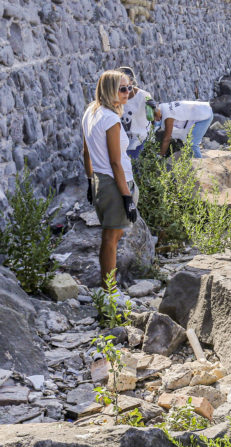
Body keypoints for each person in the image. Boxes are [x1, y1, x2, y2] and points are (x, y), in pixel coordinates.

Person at [82, 70, 139, 292]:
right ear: (109, 91)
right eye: (123, 89)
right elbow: (116, 162)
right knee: (111, 238)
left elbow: (86, 150)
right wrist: (127, 197)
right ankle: (110, 292)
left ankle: (109, 290)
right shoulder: (110, 119)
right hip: (114, 184)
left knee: (111, 236)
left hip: (100, 180)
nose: (128, 93)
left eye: (130, 87)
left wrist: (89, 179)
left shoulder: (91, 111)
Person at [117, 66, 156, 159]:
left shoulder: (144, 95)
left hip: (141, 140)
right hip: (125, 142)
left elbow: (154, 113)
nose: (126, 91)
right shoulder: (116, 97)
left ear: (132, 81)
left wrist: (153, 108)